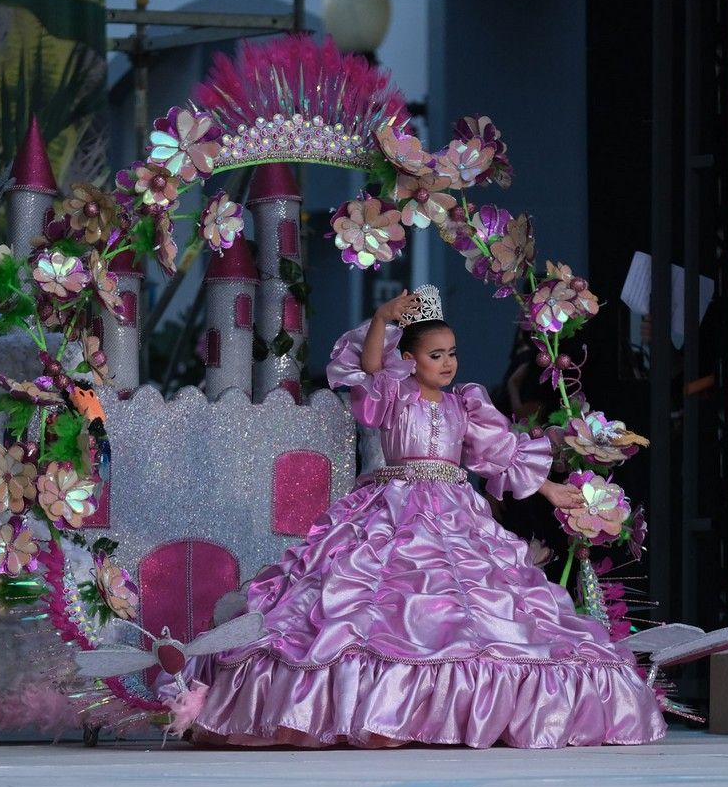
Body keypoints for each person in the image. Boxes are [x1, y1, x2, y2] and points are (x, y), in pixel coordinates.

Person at [193, 286, 666, 748]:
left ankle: (463, 706)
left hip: (456, 511)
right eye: (435, 354)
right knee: (378, 596)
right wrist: (383, 319)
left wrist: (549, 489)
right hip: (395, 506)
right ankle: (376, 705)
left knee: (468, 605)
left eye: (451, 353)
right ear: (412, 359)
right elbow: (371, 367)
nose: (447, 363)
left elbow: (497, 456)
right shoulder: (395, 394)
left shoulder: (467, 404)